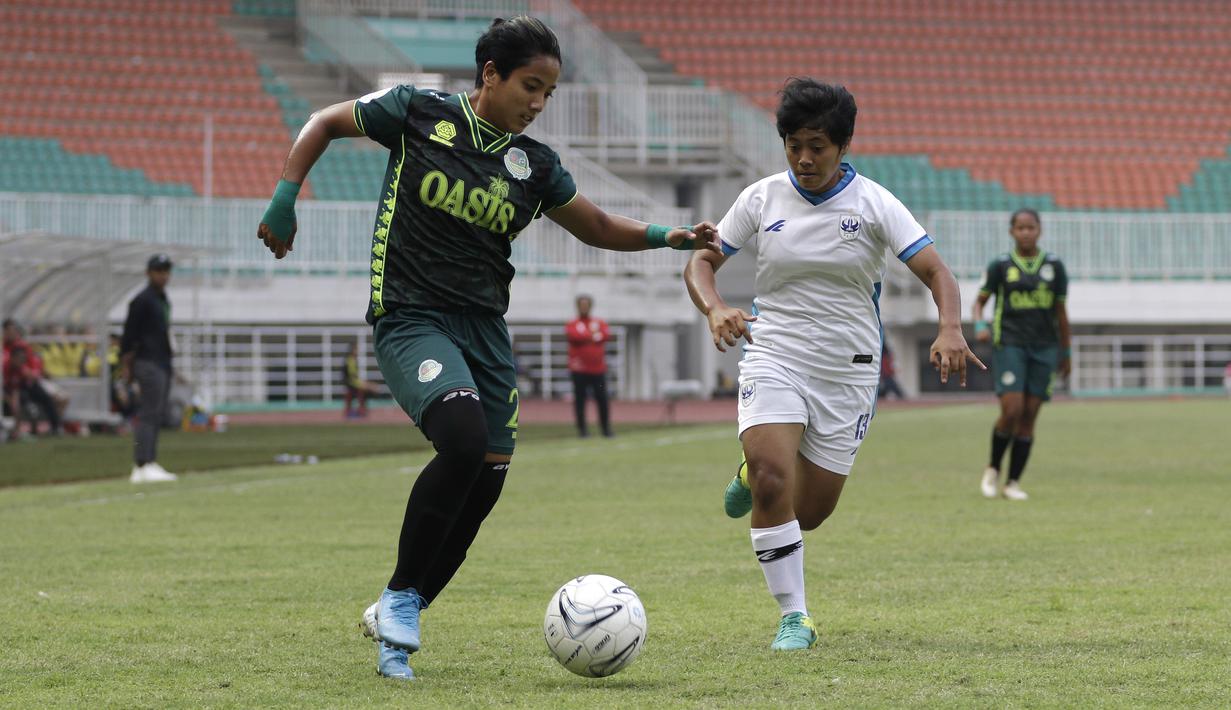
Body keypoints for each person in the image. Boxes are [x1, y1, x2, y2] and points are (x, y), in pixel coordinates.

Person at [255, 16, 719, 681]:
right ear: (490, 75)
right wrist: (284, 195)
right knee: (463, 441)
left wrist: (667, 236)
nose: (536, 103)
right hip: (411, 318)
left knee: (485, 482)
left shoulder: (533, 165)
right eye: (529, 86)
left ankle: (399, 606)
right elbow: (326, 121)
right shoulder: (417, 113)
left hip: (484, 331)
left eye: (547, 94)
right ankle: (398, 601)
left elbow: (592, 224)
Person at [684, 78, 983, 651]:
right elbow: (702, 261)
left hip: (848, 370)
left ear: (842, 145)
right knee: (774, 475)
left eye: (817, 145)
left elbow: (937, 273)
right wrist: (715, 306)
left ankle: (753, 476)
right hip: (775, 353)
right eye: (794, 143)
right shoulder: (761, 197)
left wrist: (949, 327)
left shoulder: (873, 203)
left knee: (810, 511)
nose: (804, 158)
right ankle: (795, 616)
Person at [973, 208, 1070, 501]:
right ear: (1012, 232)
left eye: (1031, 228)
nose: (1026, 233)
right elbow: (979, 303)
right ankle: (992, 468)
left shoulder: (1054, 266)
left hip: (1045, 347)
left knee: (1029, 417)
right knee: (1011, 410)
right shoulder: (1000, 266)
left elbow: (1061, 312)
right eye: (1020, 228)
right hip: (1011, 344)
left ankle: (1012, 482)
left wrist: (1066, 351)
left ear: (1039, 230)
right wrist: (980, 324)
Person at [120, 254, 179, 483]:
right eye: (159, 271)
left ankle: (150, 461)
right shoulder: (142, 300)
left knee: (156, 413)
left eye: (166, 271)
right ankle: (141, 463)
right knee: (148, 413)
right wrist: (127, 365)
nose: (163, 276)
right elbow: (129, 337)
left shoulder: (161, 298)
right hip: (147, 361)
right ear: (149, 273)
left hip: (162, 361)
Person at [2, 319, 62, 437]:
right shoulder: (6, 349)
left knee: (49, 398)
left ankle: (54, 427)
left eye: (13, 330)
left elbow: (33, 370)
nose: (12, 333)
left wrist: (32, 374)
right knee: (18, 402)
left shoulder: (23, 347)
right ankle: (20, 430)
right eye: (9, 330)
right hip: (12, 384)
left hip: (26, 383)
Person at [565, 294, 612, 437]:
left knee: (602, 399)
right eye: (582, 304)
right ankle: (582, 430)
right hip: (579, 369)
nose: (584, 307)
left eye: (586, 304)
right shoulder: (573, 323)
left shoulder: (598, 322)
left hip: (598, 369)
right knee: (580, 400)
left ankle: (606, 429)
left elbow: (605, 335)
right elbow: (574, 336)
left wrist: (589, 336)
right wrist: (592, 336)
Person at [341, 341, 381, 419]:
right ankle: (361, 410)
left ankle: (361, 410)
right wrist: (365, 385)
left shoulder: (351, 360)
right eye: (356, 349)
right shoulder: (351, 361)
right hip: (351, 385)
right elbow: (352, 378)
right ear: (352, 350)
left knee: (367, 389)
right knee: (365, 390)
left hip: (351, 384)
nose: (358, 351)